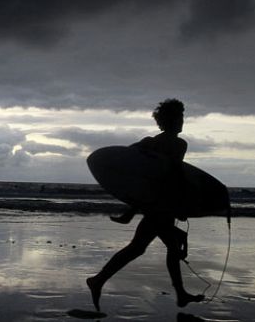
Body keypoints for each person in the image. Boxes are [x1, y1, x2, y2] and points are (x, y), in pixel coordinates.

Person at [87, 99, 203, 311]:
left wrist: (134, 204)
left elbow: (132, 164)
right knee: (161, 245)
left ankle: (180, 293)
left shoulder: (150, 142)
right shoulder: (179, 144)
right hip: (162, 204)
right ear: (171, 121)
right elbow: (173, 175)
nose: (182, 122)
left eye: (182, 117)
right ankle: (98, 280)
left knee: (142, 247)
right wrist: (184, 204)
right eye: (179, 118)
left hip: (153, 203)